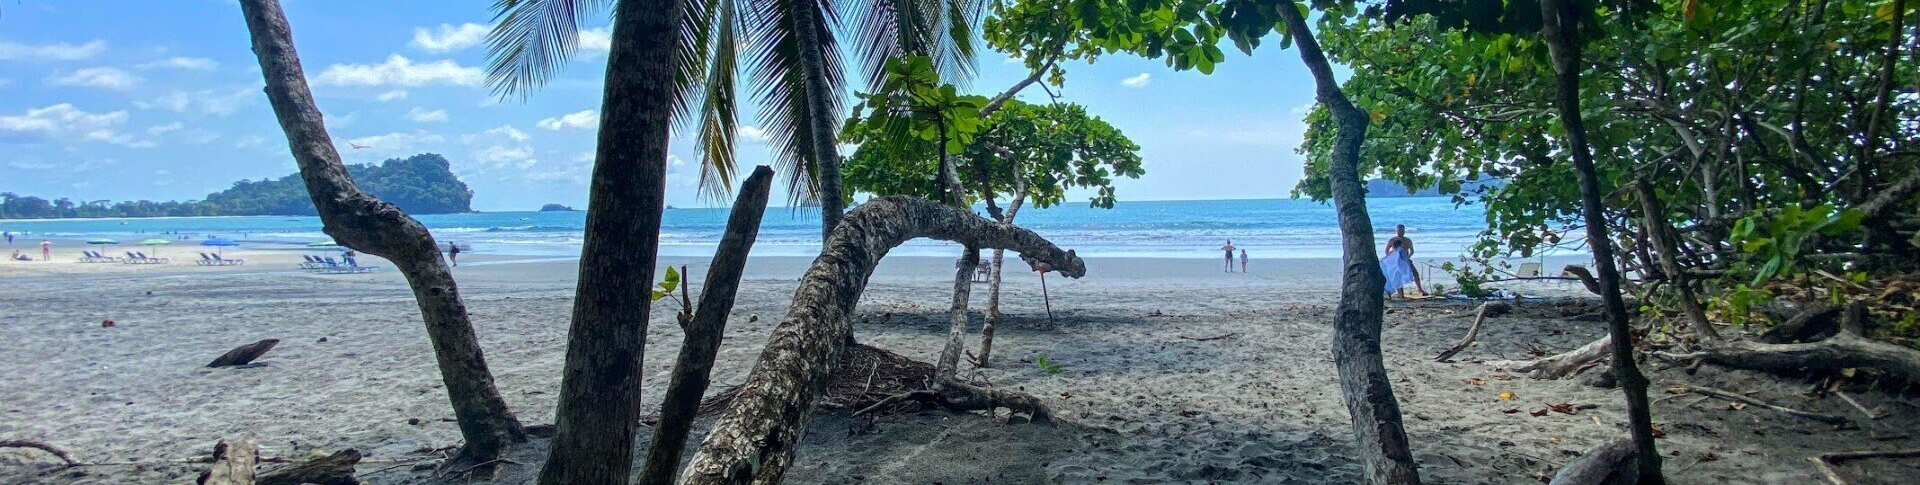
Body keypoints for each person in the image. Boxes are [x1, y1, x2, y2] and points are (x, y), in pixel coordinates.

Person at [1380, 225, 1428, 298]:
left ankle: (1420, 289)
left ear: (1404, 231)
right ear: (1396, 231)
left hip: (1406, 260)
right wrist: (1392, 260)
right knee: (1397, 277)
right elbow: (1387, 251)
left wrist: (1407, 258)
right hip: (1396, 262)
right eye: (1399, 230)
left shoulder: (1408, 240)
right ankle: (1400, 294)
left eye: (1402, 230)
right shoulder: (1392, 240)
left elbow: (1411, 251)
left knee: (1415, 274)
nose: (1400, 232)